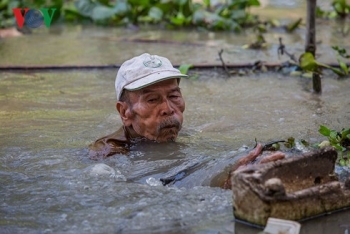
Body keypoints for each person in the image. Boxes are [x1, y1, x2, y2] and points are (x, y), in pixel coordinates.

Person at [89, 53, 188, 160]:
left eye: (173, 96)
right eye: (152, 100)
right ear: (124, 112)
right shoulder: (108, 154)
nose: (168, 109)